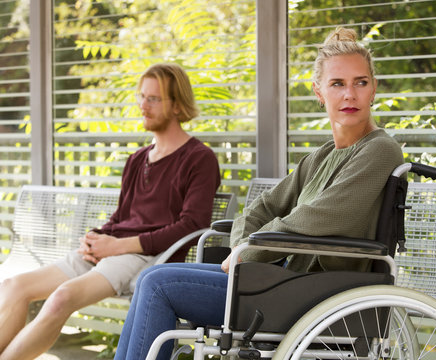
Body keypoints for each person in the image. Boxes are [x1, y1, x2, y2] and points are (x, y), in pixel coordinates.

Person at [114, 26, 404, 360]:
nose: (349, 95)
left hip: (315, 292)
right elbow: (261, 208)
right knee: (152, 275)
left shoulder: (381, 150)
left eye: (360, 82)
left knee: (158, 286)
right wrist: (242, 246)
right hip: (281, 280)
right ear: (319, 92)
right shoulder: (322, 156)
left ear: (373, 89)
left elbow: (321, 219)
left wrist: (249, 253)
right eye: (337, 84)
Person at [0, 63, 221, 360]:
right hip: (111, 249)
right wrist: (96, 238)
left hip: (143, 257)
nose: (143, 105)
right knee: (14, 286)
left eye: (153, 99)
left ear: (178, 105)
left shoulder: (199, 159)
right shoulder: (137, 159)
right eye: (141, 96)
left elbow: (192, 226)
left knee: (60, 298)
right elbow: (121, 217)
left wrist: (119, 245)